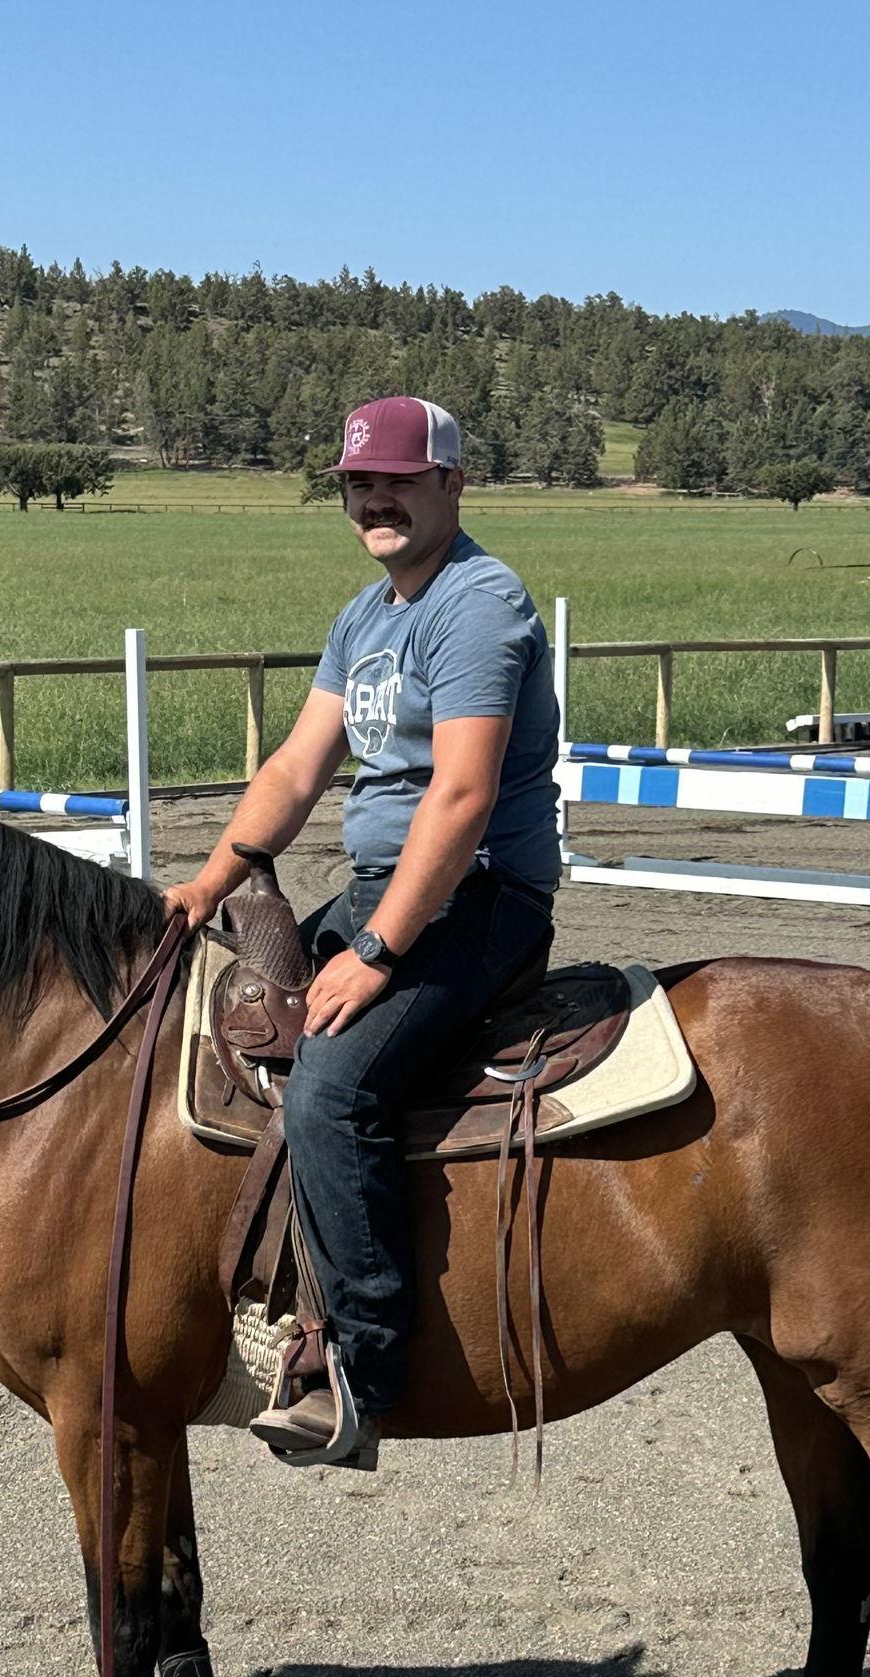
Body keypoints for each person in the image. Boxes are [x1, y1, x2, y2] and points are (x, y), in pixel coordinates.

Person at [164, 396, 560, 1468]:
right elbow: (298, 767)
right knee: (224, 1008)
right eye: (355, 484)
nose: (372, 499)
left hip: (477, 898)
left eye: (395, 479)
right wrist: (209, 881)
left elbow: (462, 795)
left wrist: (376, 952)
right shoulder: (366, 615)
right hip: (388, 880)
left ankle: (359, 1364)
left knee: (335, 1081)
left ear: (449, 485)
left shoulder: (480, 605)